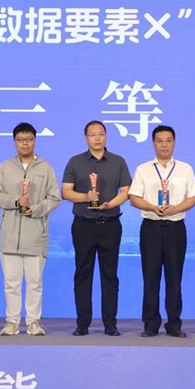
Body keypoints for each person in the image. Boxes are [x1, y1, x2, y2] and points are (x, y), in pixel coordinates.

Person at [128, 125, 195, 338]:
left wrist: (176, 208)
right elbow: (134, 198)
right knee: (150, 277)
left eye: (168, 140)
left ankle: (174, 324)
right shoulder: (143, 169)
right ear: (153, 144)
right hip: (151, 228)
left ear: (174, 143)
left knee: (174, 278)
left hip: (175, 228)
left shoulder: (185, 169)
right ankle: (150, 324)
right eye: (160, 141)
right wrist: (152, 207)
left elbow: (193, 198)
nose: (164, 145)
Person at [0, 123, 61, 336]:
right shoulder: (5, 167)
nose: (25, 143)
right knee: (11, 283)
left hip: (35, 234)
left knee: (34, 283)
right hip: (10, 235)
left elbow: (54, 198)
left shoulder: (45, 168)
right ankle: (12, 322)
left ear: (35, 141)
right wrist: (15, 201)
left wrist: (36, 209)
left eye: (29, 139)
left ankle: (33, 322)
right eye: (21, 139)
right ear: (14, 142)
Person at [62, 120, 132, 336]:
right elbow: (66, 192)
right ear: (86, 138)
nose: (97, 138)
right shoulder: (75, 162)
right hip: (83, 225)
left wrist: (111, 204)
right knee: (83, 273)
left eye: (101, 133)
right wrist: (86, 197)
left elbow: (126, 191)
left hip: (110, 224)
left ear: (106, 136)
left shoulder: (118, 161)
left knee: (110, 275)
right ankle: (82, 323)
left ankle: (110, 323)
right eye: (92, 134)